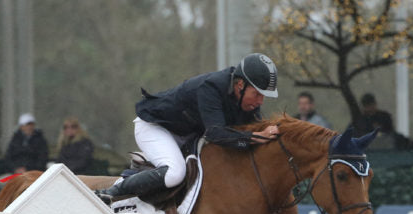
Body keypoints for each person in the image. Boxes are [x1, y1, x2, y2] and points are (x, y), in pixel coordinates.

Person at [98, 53, 281, 203]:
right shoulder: (211, 87)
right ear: (240, 85)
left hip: (187, 135)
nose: (260, 102)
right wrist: (257, 136)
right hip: (155, 127)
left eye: (263, 96)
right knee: (175, 174)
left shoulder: (246, 102)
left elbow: (251, 133)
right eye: (256, 94)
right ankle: (112, 192)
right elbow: (216, 134)